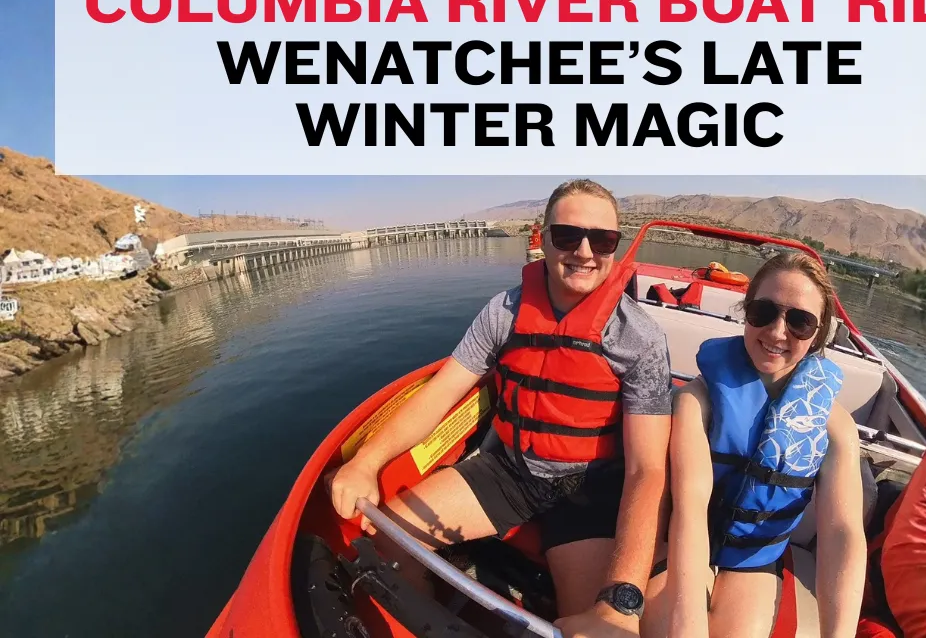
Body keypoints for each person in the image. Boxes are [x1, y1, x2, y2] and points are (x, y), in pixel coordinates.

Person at [326, 179, 674, 638]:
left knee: (593, 629)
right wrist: (368, 462)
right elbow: (439, 393)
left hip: (590, 490)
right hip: (510, 471)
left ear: (615, 246)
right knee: (390, 543)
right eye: (568, 235)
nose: (585, 251)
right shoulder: (503, 313)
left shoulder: (639, 337)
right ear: (544, 238)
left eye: (602, 239)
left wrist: (622, 601)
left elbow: (647, 469)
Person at [646, 252, 867, 638]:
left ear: (818, 333)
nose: (778, 332)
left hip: (754, 558)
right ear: (745, 312)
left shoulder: (836, 429)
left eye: (800, 321)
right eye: (763, 311)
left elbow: (842, 534)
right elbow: (690, 508)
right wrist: (688, 626)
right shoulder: (697, 403)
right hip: (682, 543)